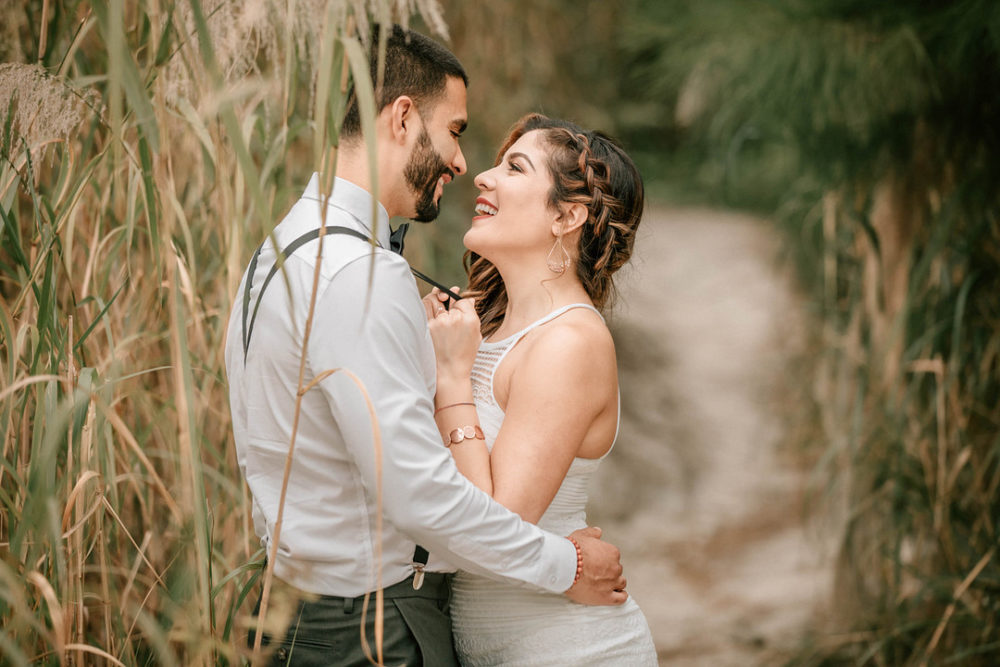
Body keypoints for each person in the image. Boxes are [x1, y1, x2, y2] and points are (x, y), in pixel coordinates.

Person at [223, 26, 628, 666]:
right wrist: (564, 562)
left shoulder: (281, 251)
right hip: (367, 630)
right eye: (458, 131)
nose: (465, 166)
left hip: (311, 610)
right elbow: (420, 493)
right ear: (404, 117)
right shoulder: (358, 272)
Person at [424, 113, 657, 665]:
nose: (482, 176)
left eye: (514, 167)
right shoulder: (479, 329)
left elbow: (491, 529)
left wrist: (452, 378)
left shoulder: (570, 342)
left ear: (567, 216)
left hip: (569, 648)